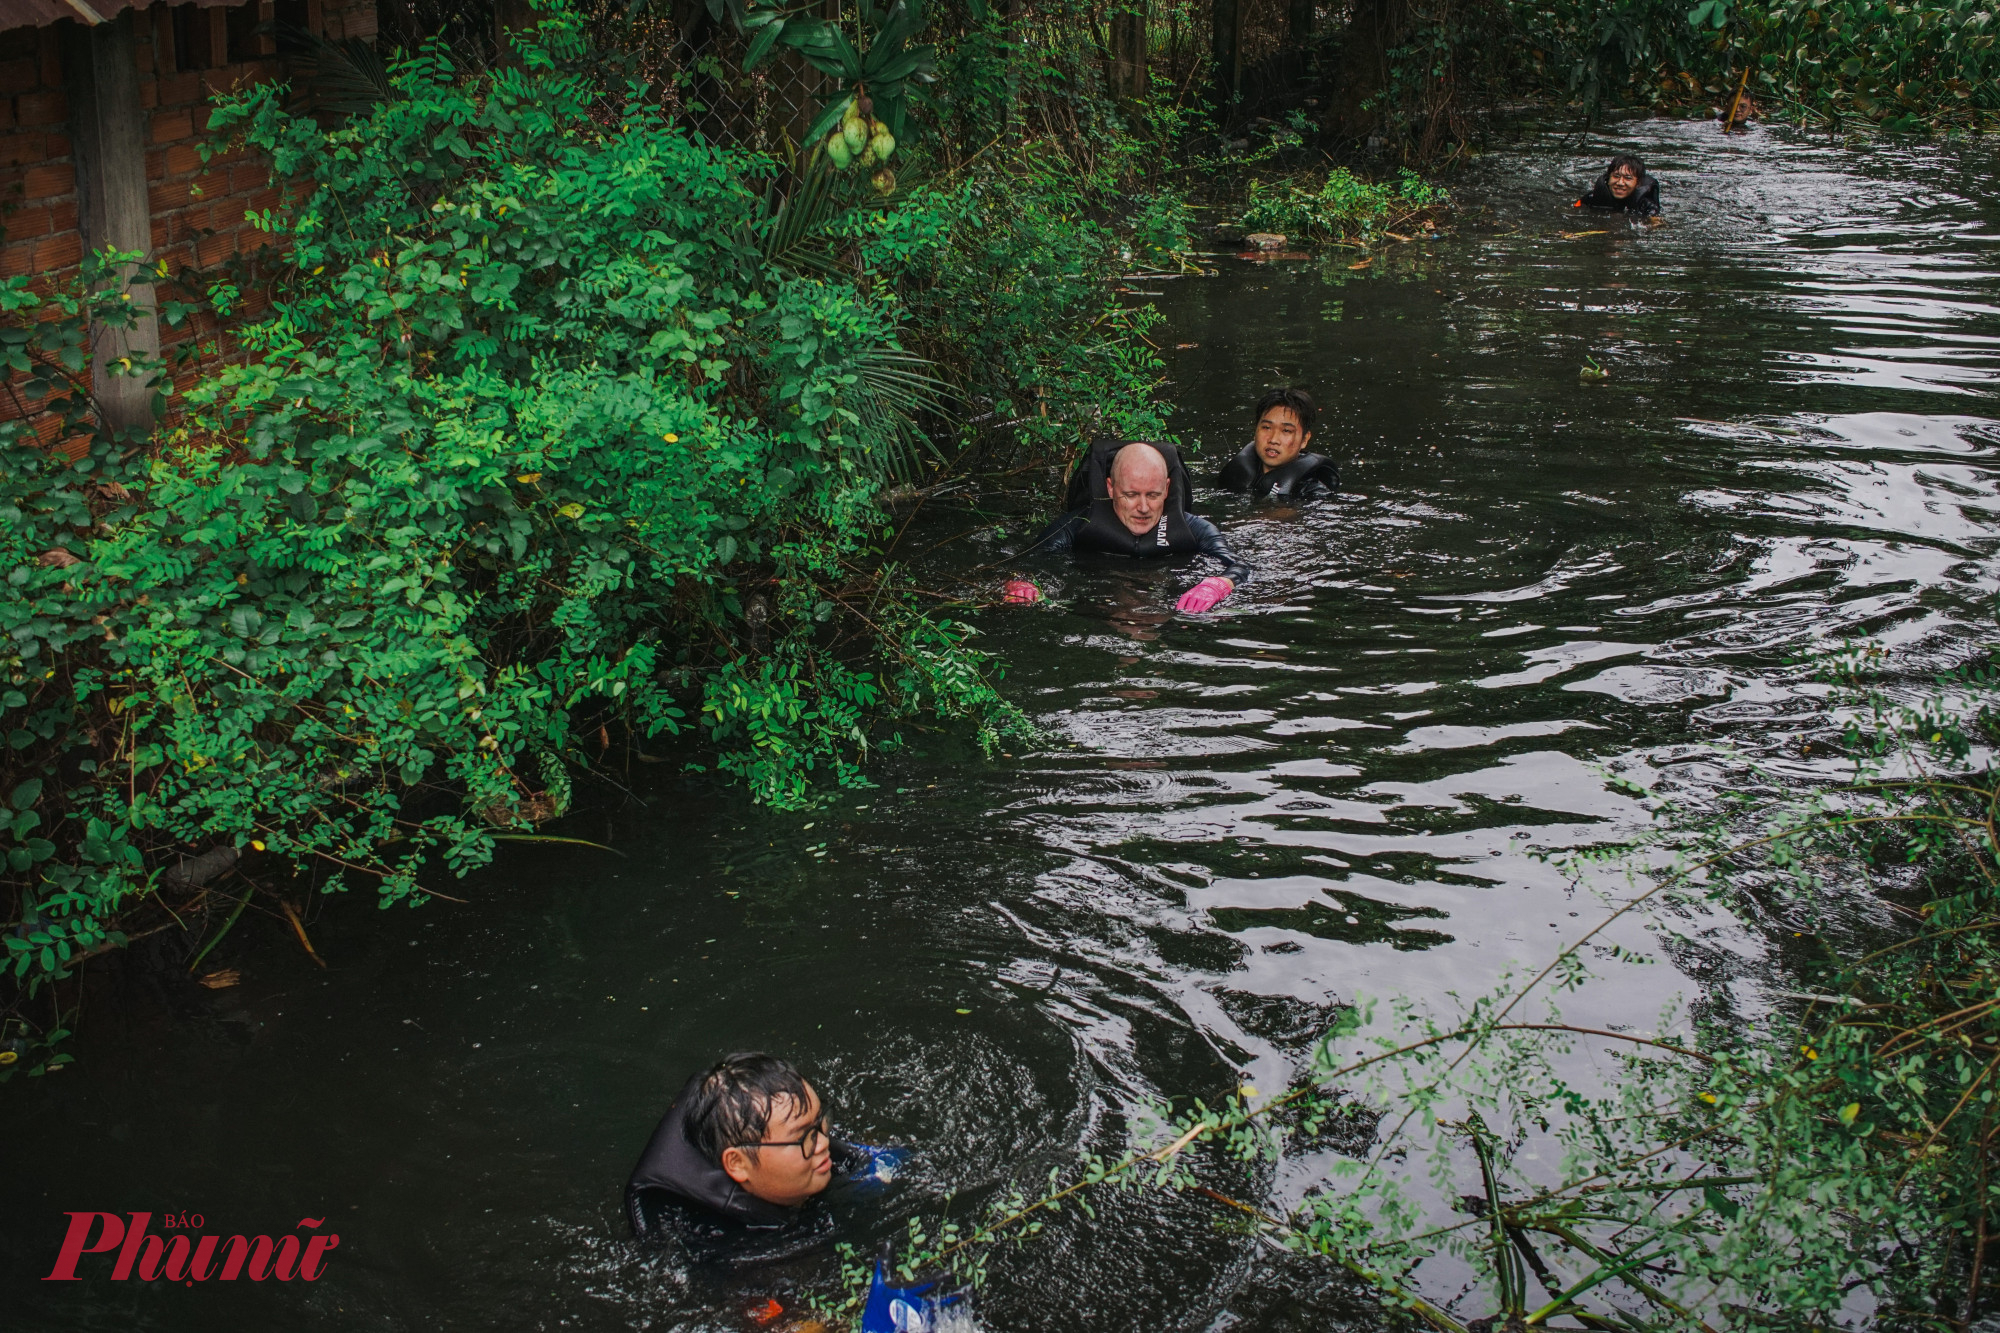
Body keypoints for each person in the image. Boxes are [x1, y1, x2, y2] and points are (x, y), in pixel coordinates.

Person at [625, 1052, 901, 1265]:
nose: (823, 1143)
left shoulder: (804, 1144)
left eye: (819, 1123)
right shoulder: (712, 1248)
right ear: (738, 1164)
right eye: (803, 1135)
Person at [1004, 440, 1249, 613]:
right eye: (1131, 494)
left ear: (1167, 487)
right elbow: (1026, 561)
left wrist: (1218, 584)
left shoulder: (1194, 529)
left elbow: (1239, 565)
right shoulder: (1077, 526)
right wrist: (1021, 581)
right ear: (1111, 488)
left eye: (1153, 495)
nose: (1143, 507)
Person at [1214, 387, 1338, 500]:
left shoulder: (1313, 492)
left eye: (1286, 431)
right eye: (1266, 427)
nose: (1273, 439)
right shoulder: (1236, 473)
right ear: (1255, 430)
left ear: (1304, 439)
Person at [1575, 153, 1661, 217]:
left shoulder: (1646, 205)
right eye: (1616, 176)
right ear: (1608, 179)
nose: (1620, 183)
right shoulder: (1592, 197)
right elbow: (1573, 210)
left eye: (1628, 178)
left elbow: (1655, 223)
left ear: (1637, 183)